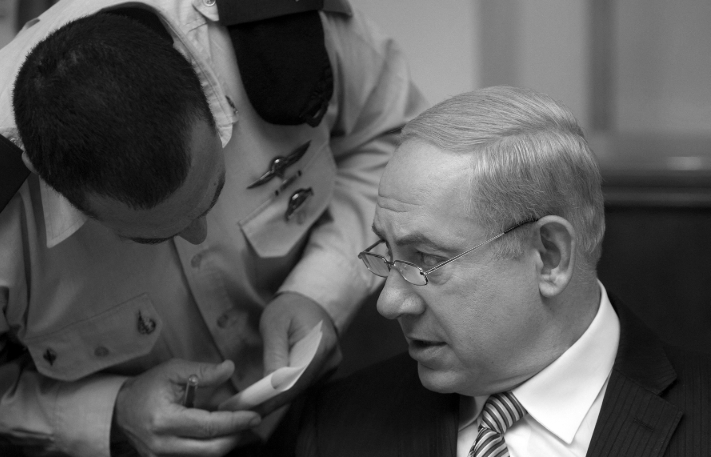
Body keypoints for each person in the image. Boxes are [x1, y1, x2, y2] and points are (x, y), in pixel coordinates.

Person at [0, 1, 425, 456]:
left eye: (217, 188)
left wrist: (321, 290)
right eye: (148, 235)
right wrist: (110, 412)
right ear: (59, 193)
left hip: (348, 369)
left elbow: (393, 137)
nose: (199, 233)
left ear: (206, 90)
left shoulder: (277, 26)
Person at [293, 86, 711, 456]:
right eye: (387, 250)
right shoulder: (336, 427)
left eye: (426, 259)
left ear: (550, 257)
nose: (389, 302)